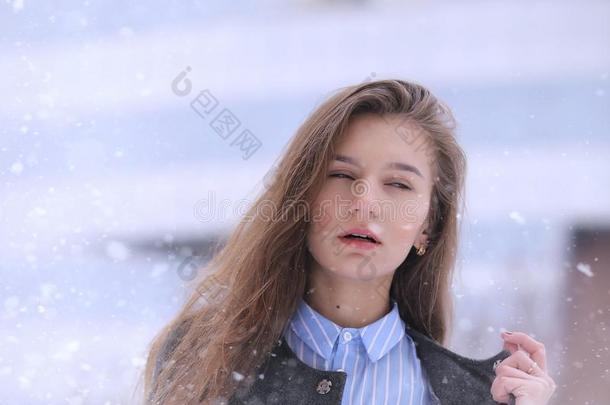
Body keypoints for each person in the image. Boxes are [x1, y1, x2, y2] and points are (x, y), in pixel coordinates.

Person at [140, 79, 557, 404]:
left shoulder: (474, 396)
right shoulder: (206, 357)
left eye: (397, 184)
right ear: (302, 199)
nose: (366, 203)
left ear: (428, 226)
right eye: (341, 175)